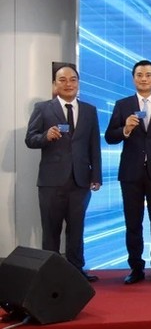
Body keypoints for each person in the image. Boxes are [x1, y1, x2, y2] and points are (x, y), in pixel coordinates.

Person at [104, 60, 151, 284]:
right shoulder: (122, 105)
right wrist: (125, 129)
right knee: (133, 223)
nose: (144, 78)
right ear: (133, 78)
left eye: (148, 75)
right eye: (139, 75)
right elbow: (110, 136)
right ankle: (136, 268)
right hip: (130, 173)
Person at [24, 65, 102, 282]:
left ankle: (76, 271)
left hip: (80, 180)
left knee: (76, 229)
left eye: (73, 80)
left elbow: (94, 144)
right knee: (51, 230)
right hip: (51, 181)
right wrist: (45, 136)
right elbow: (30, 139)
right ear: (55, 84)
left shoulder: (89, 110)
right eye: (63, 80)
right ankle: (50, 275)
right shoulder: (43, 108)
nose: (68, 84)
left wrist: (96, 175)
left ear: (78, 83)